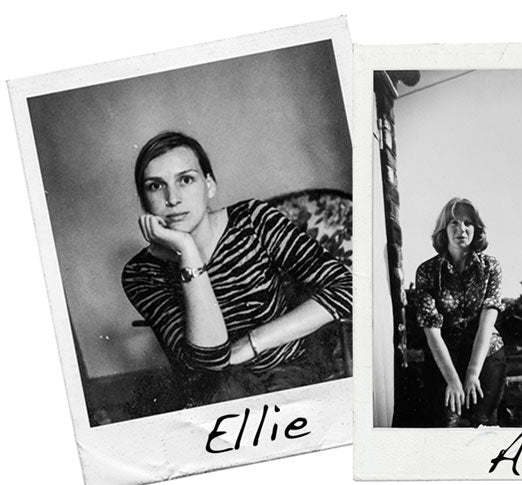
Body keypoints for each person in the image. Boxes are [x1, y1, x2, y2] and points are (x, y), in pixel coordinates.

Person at [121, 131, 352, 407]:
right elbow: (212, 360)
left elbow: (347, 287)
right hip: (216, 389)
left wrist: (252, 343)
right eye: (156, 186)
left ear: (209, 186)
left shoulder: (254, 221)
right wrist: (187, 250)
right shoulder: (141, 273)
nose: (172, 198)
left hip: (288, 367)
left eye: (186, 180)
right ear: (145, 201)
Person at [413, 198, 506, 427]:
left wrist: (472, 373)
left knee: (482, 422)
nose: (461, 229)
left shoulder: (491, 266)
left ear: (477, 229)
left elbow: (487, 323)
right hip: (445, 355)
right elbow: (432, 331)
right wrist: (453, 380)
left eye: (468, 223)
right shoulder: (427, 271)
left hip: (484, 352)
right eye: (454, 223)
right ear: (444, 230)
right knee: (447, 422)